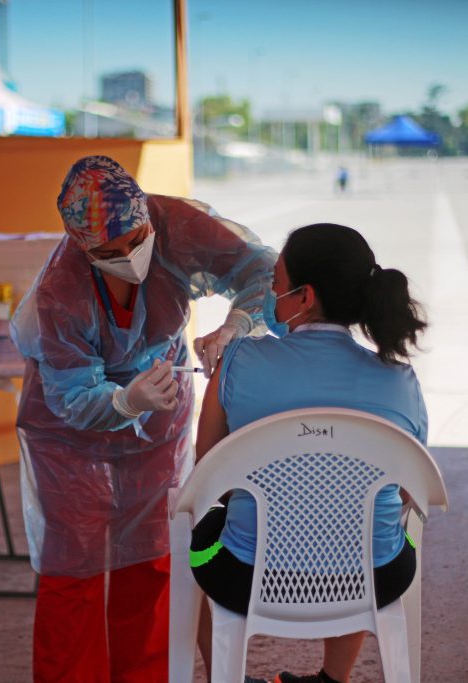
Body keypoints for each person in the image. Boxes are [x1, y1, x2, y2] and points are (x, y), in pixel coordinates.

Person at [11, 155, 275, 682]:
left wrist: (236, 324)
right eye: (110, 253)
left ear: (147, 215)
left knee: (152, 555)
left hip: (160, 417)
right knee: (74, 568)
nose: (131, 258)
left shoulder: (176, 226)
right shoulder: (60, 291)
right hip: (68, 438)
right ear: (81, 247)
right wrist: (123, 402)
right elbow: (73, 398)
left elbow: (266, 271)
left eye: (136, 239)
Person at [191, 223, 429, 683]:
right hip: (373, 578)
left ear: (304, 297)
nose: (270, 293)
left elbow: (209, 475)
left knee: (196, 544)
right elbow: (404, 492)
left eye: (276, 283)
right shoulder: (400, 381)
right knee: (374, 526)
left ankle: (229, 677)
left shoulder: (237, 362)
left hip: (247, 576)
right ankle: (332, 680)